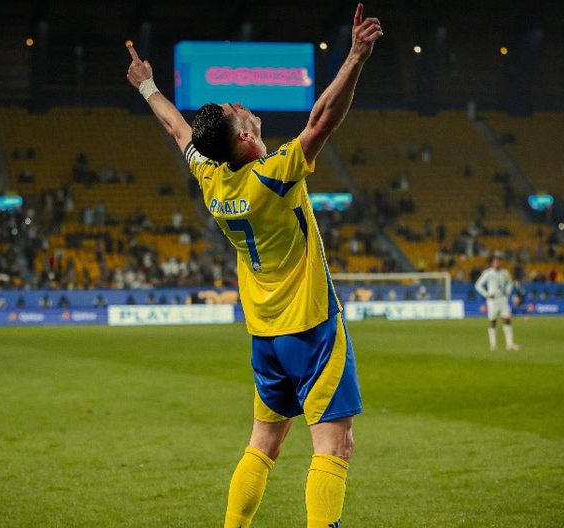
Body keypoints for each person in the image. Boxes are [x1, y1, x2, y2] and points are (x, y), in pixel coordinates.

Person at [126, 4, 382, 526]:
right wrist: (356, 55)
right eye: (237, 110)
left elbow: (179, 131)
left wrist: (147, 86)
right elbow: (323, 119)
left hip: (265, 333)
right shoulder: (273, 175)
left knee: (264, 443)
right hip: (310, 326)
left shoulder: (214, 179)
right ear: (244, 137)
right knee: (334, 446)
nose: (242, 105)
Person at [474, 253, 520, 352]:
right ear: (492, 263)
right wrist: (486, 294)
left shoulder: (505, 272)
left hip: (503, 299)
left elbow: (510, 283)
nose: (497, 263)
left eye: (498, 261)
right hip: (492, 300)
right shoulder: (488, 273)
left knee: (507, 319)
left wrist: (508, 292)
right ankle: (493, 345)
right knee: (493, 321)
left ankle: (510, 344)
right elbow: (478, 285)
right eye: (495, 261)